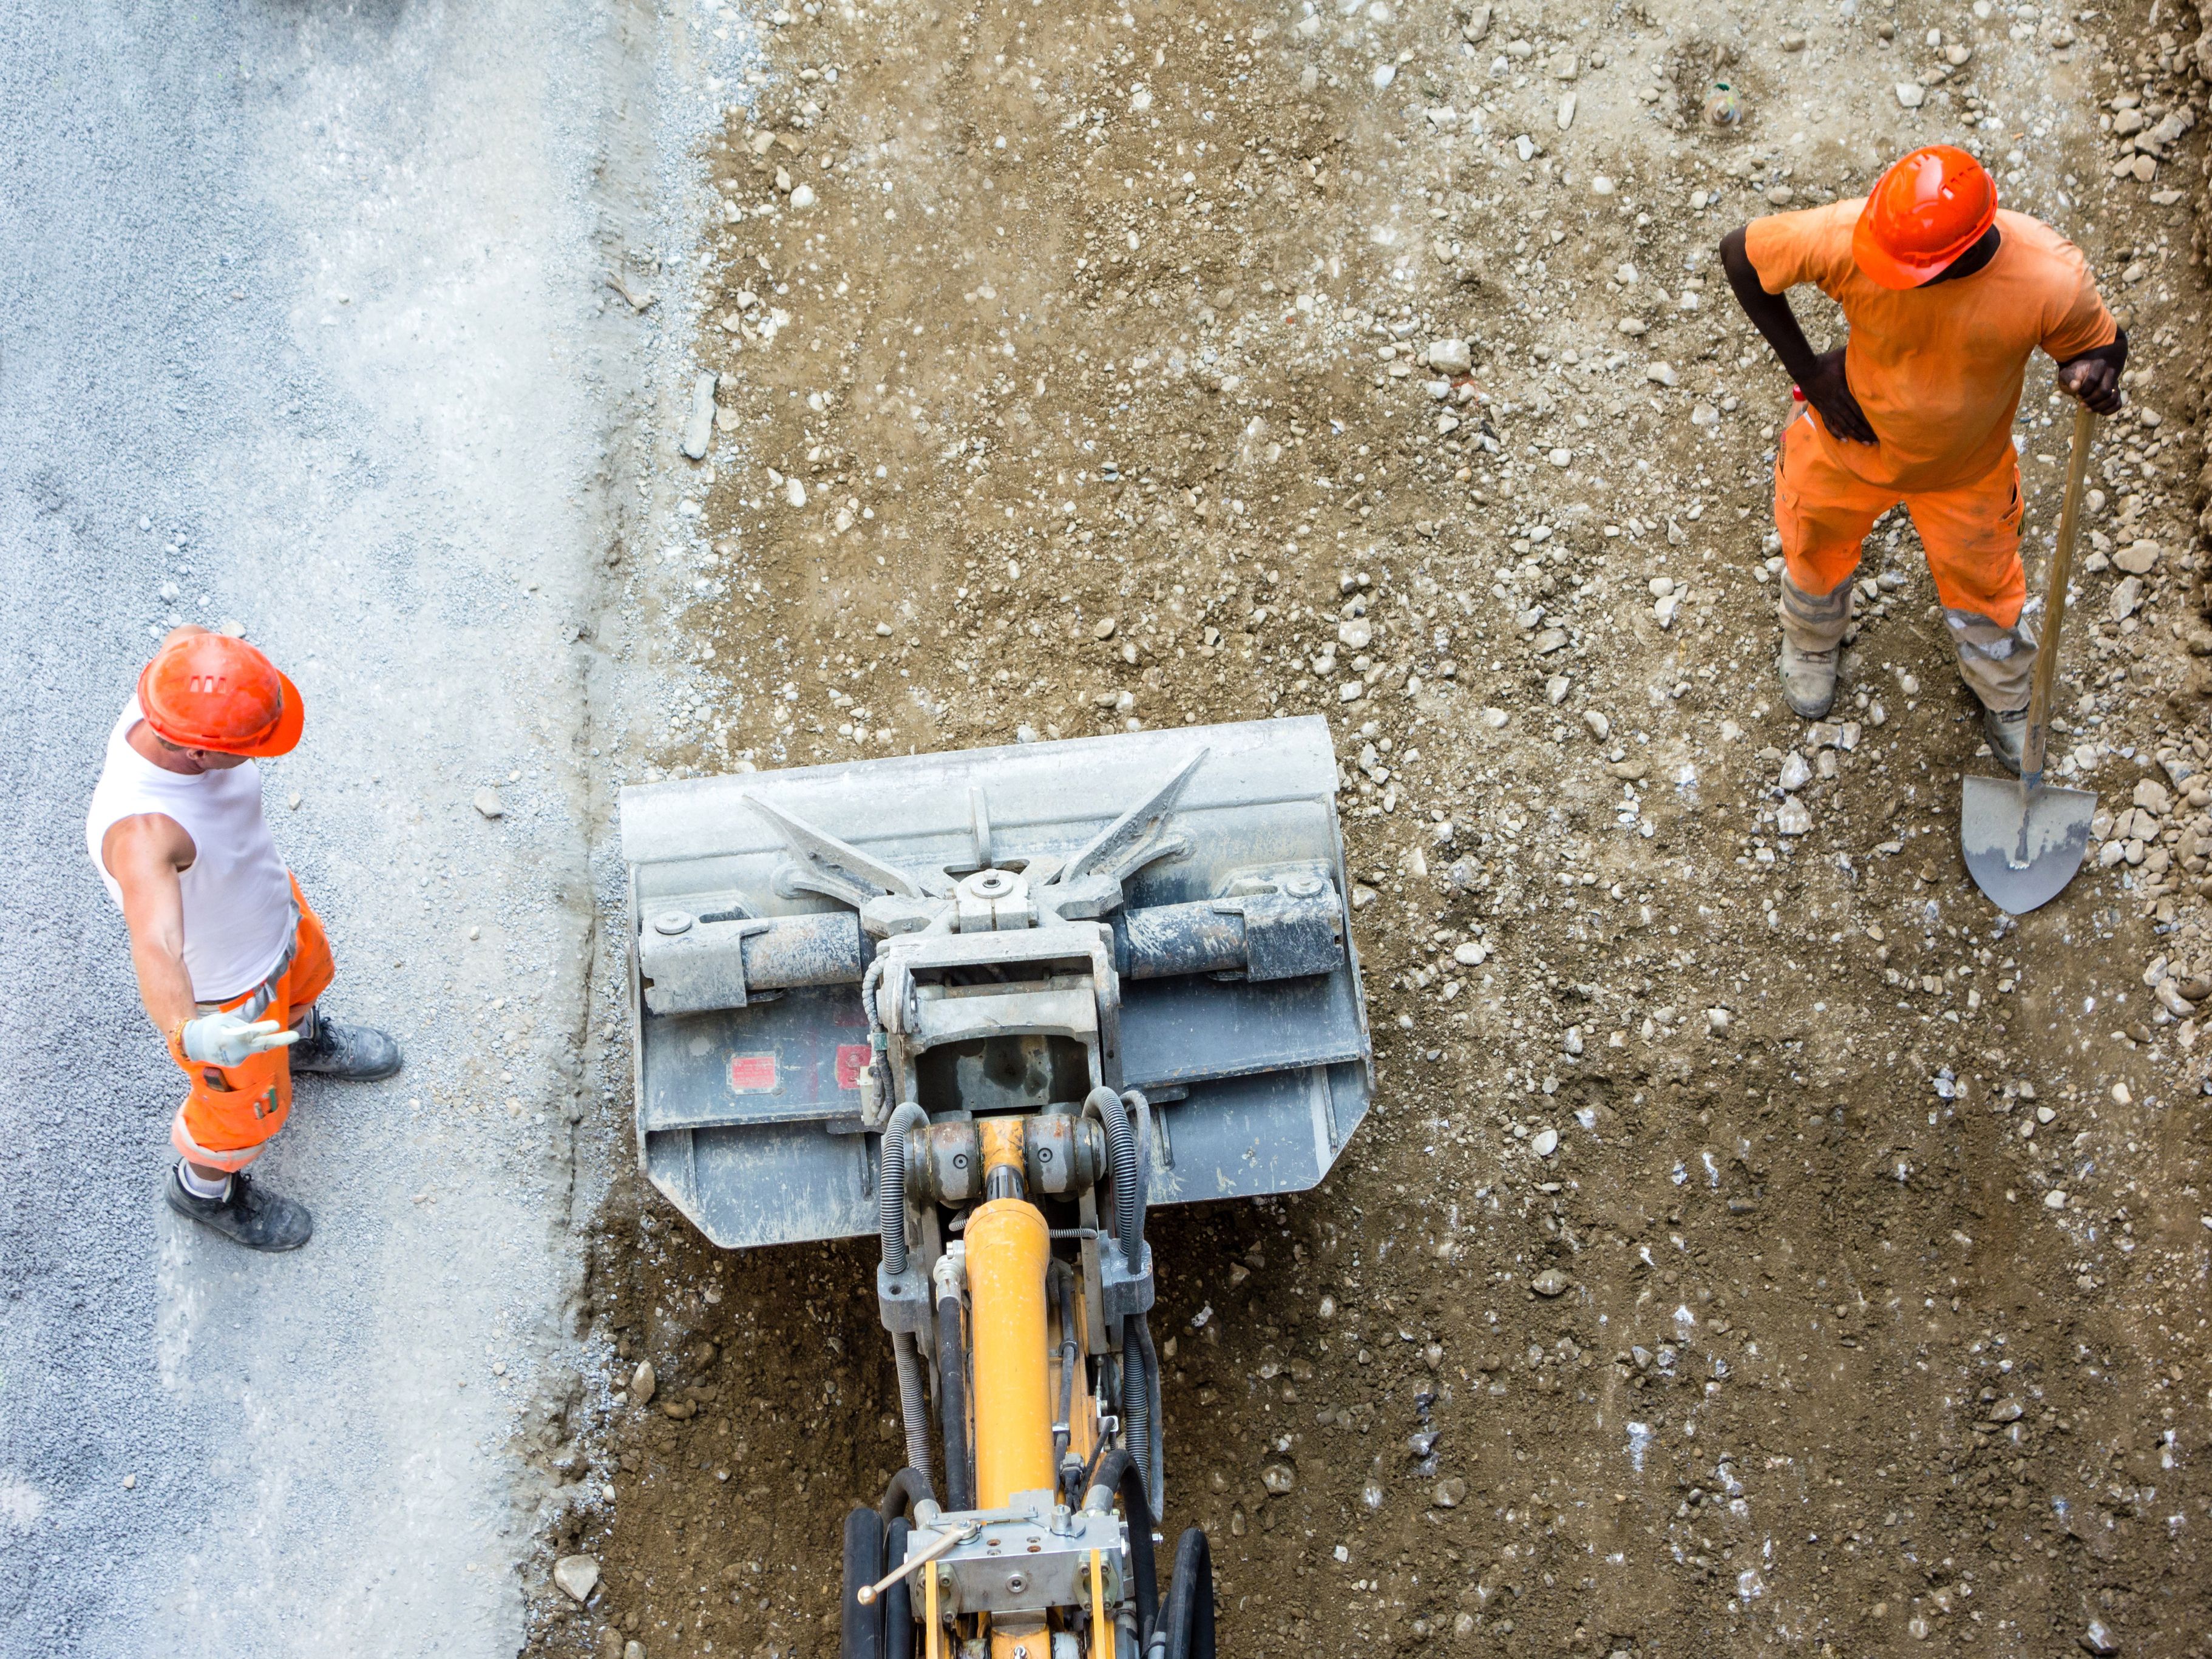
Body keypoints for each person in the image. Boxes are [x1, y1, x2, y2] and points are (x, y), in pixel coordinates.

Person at [1720, 144, 2126, 766]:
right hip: (1847, 442)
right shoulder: (1857, 236)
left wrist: (2093, 374)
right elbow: (1740, 255)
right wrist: (1809, 373)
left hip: (1966, 471)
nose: (1879, 271)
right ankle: (1810, 640)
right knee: (1811, 545)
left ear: (1963, 249)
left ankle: (2007, 695)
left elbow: (2098, 346)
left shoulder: (2047, 277)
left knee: (1985, 590)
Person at [86, 626, 401, 1251]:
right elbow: (156, 946)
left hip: (270, 913)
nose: (258, 754)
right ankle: (204, 1190)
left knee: (309, 979)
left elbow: (200, 643)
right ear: (198, 754)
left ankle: (302, 1041)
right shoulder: (145, 833)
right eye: (249, 746)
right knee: (242, 1112)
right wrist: (193, 1032)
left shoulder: (175, 683)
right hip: (230, 997)